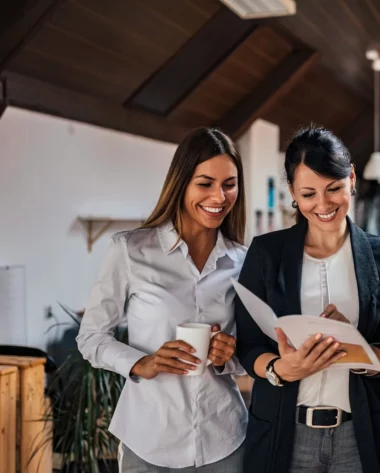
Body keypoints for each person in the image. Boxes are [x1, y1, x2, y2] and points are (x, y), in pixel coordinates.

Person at [235, 126, 380, 473]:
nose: (324, 204)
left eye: (334, 189)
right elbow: (249, 344)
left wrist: (359, 349)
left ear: (352, 179)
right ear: (292, 193)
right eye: (309, 193)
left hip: (359, 435)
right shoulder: (265, 253)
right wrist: (278, 369)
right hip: (285, 433)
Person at [77, 127, 249, 472]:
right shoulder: (130, 250)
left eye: (229, 184)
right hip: (148, 440)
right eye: (205, 183)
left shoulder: (244, 262)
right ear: (181, 182)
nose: (219, 196)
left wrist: (228, 356)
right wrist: (142, 363)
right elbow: (91, 337)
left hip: (224, 439)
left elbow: (252, 354)